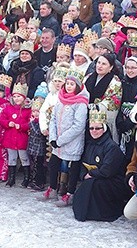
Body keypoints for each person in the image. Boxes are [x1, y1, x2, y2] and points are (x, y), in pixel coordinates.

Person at [40, 67, 89, 206]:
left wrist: (61, 140)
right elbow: (54, 119)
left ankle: (69, 194)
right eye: (67, 83)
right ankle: (53, 188)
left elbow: (78, 126)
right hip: (58, 140)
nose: (68, 86)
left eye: (72, 84)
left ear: (78, 86)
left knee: (72, 168)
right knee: (54, 163)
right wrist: (53, 138)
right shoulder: (61, 99)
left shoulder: (80, 103)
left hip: (71, 141)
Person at [72, 108, 130, 222]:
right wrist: (84, 174)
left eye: (98, 128)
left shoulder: (112, 147)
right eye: (91, 128)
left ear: (104, 129)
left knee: (95, 185)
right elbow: (82, 164)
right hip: (95, 177)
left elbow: (108, 170)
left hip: (112, 181)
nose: (94, 131)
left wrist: (91, 174)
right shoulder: (89, 144)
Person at [84, 52, 123, 143]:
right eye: (99, 62)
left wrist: (95, 107)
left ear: (111, 67)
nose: (100, 66)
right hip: (84, 115)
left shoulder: (115, 82)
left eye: (104, 64)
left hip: (101, 119)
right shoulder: (89, 77)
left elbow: (112, 103)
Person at [0, 83, 31, 188]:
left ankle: (27, 178)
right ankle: (11, 178)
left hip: (22, 139)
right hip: (10, 138)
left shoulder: (27, 110)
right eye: (14, 96)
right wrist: (8, 123)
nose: (16, 98)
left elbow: (30, 123)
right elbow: (2, 119)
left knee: (24, 158)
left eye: (19, 96)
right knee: (11, 158)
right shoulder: (8, 108)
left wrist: (21, 126)